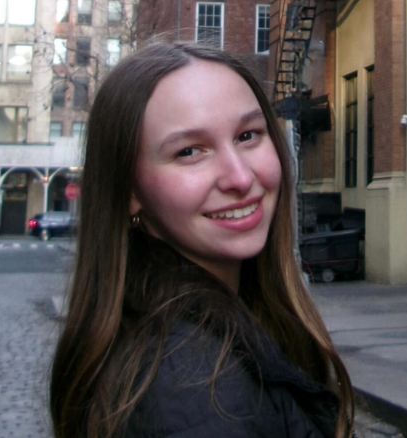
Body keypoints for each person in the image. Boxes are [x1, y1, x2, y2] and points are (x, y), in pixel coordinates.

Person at [50, 42, 355, 438]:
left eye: (248, 135)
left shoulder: (201, 338)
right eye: (190, 151)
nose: (240, 178)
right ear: (129, 190)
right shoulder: (197, 389)